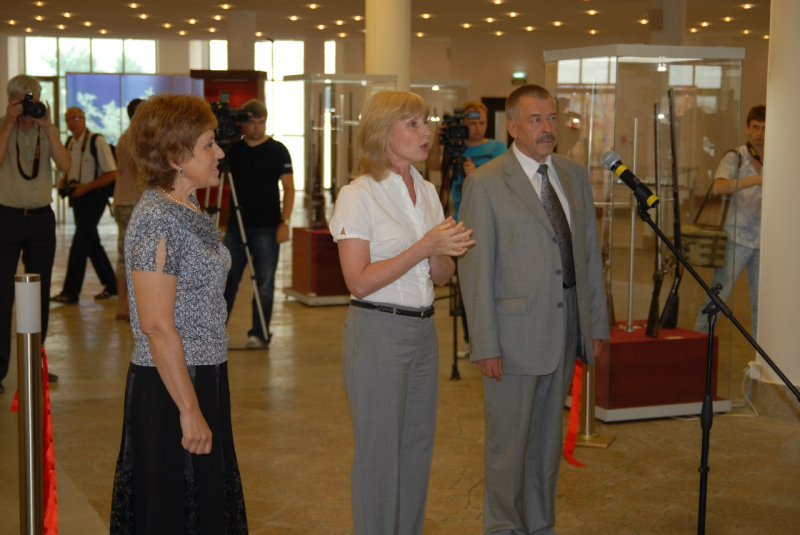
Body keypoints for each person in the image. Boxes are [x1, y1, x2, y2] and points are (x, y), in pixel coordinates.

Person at [459, 84, 609, 535]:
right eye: (535, 119)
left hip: (564, 329)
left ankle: (540, 525)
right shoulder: (486, 183)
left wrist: (595, 325)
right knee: (508, 447)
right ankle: (503, 527)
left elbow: (589, 257)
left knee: (546, 445)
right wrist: (484, 343)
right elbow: (475, 270)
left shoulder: (573, 175)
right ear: (512, 127)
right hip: (512, 338)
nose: (547, 128)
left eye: (552, 118)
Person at [330, 90, 474, 535]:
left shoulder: (428, 192)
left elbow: (442, 276)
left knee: (415, 451)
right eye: (412, 124)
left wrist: (445, 251)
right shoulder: (358, 194)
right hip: (377, 329)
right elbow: (358, 281)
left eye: (425, 122)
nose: (426, 132)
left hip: (423, 333)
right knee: (378, 456)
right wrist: (425, 246)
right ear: (382, 132)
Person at [109, 94, 247, 533]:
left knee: (204, 501)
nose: (219, 152)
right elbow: (155, 326)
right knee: (175, 506)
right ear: (175, 157)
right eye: (208, 144)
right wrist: (189, 408)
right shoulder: (155, 220)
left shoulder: (185, 206)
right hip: (171, 382)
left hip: (203, 371)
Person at [0, 74, 70, 394]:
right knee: (3, 295)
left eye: (33, 100)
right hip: (6, 218)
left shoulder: (45, 129)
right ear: (10, 100)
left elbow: (65, 165)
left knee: (39, 294)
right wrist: (8, 124)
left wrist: (49, 127)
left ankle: (36, 364)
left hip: (42, 219)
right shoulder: (3, 126)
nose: (28, 107)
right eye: (21, 101)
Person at [427, 100, 507, 358]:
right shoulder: (453, 148)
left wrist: (477, 172)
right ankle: (469, 339)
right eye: (471, 123)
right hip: (461, 224)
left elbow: (506, 180)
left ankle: (495, 336)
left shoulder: (497, 147)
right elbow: (432, 166)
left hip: (492, 222)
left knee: (493, 282)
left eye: (481, 122)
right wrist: (438, 142)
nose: (477, 127)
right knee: (466, 285)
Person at [223, 99, 294, 349]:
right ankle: (215, 333)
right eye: (252, 122)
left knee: (264, 283)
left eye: (261, 122)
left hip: (267, 226)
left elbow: (289, 187)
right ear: (244, 123)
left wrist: (285, 222)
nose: (256, 127)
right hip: (236, 226)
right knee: (227, 280)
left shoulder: (277, 150)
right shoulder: (233, 150)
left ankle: (259, 334)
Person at [694, 105, 765, 339]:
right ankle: (699, 341)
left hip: (764, 241)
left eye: (764, 128)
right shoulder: (736, 156)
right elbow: (718, 187)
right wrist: (757, 179)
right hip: (737, 237)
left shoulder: (776, 157)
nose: (760, 133)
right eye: (755, 127)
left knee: (762, 303)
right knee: (717, 297)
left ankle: (761, 353)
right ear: (747, 128)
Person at [51, 106, 118, 304]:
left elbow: (112, 174)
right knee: (92, 244)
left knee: (80, 244)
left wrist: (86, 188)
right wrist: (65, 180)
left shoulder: (97, 141)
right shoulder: (70, 142)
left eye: (76, 118)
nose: (72, 122)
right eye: (68, 119)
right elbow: (68, 168)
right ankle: (112, 285)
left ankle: (70, 292)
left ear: (84, 119)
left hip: (94, 198)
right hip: (77, 198)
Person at [112, 98, 144, 320]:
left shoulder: (125, 137)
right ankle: (128, 305)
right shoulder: (138, 139)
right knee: (135, 257)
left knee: (125, 255)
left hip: (124, 202)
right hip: (133, 203)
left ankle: (125, 304)